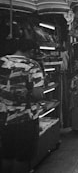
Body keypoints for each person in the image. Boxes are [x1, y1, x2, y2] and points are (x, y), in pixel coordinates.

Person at [0, 38, 45, 173]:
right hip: (24, 117)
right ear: (30, 51)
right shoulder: (31, 65)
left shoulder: (1, 61)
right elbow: (38, 94)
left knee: (7, 154)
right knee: (23, 157)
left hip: (3, 116)